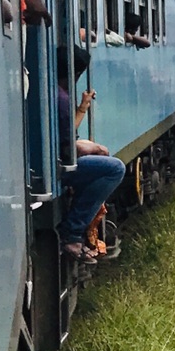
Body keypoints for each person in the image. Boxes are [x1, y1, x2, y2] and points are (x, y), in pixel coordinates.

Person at [56, 49, 124, 262]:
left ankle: (80, 230)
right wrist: (91, 148)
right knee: (114, 168)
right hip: (56, 167)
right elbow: (67, 149)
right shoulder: (62, 99)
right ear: (76, 73)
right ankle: (73, 231)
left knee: (100, 160)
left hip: (50, 163)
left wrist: (83, 108)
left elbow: (66, 136)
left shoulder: (53, 93)